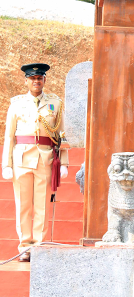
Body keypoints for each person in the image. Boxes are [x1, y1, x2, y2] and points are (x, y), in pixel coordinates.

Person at [2, 63, 69, 262]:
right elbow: (9, 137)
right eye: (32, 79)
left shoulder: (55, 103)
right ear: (26, 81)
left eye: (39, 78)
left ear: (44, 80)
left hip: (45, 159)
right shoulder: (16, 104)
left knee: (42, 206)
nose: (36, 81)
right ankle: (24, 246)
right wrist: (6, 164)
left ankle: (39, 247)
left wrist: (64, 163)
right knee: (23, 206)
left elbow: (61, 135)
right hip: (22, 159)